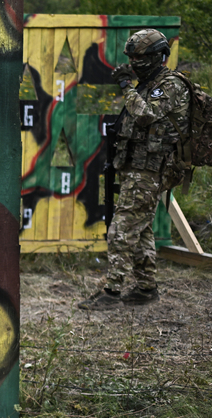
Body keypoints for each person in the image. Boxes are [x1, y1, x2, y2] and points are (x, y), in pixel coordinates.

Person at [79, 29, 191, 310]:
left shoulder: (169, 84)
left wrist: (126, 86)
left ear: (158, 57)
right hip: (136, 165)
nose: (135, 61)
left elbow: (146, 115)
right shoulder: (148, 83)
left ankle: (112, 292)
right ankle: (145, 288)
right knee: (140, 230)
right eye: (132, 57)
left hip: (151, 169)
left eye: (140, 57)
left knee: (121, 229)